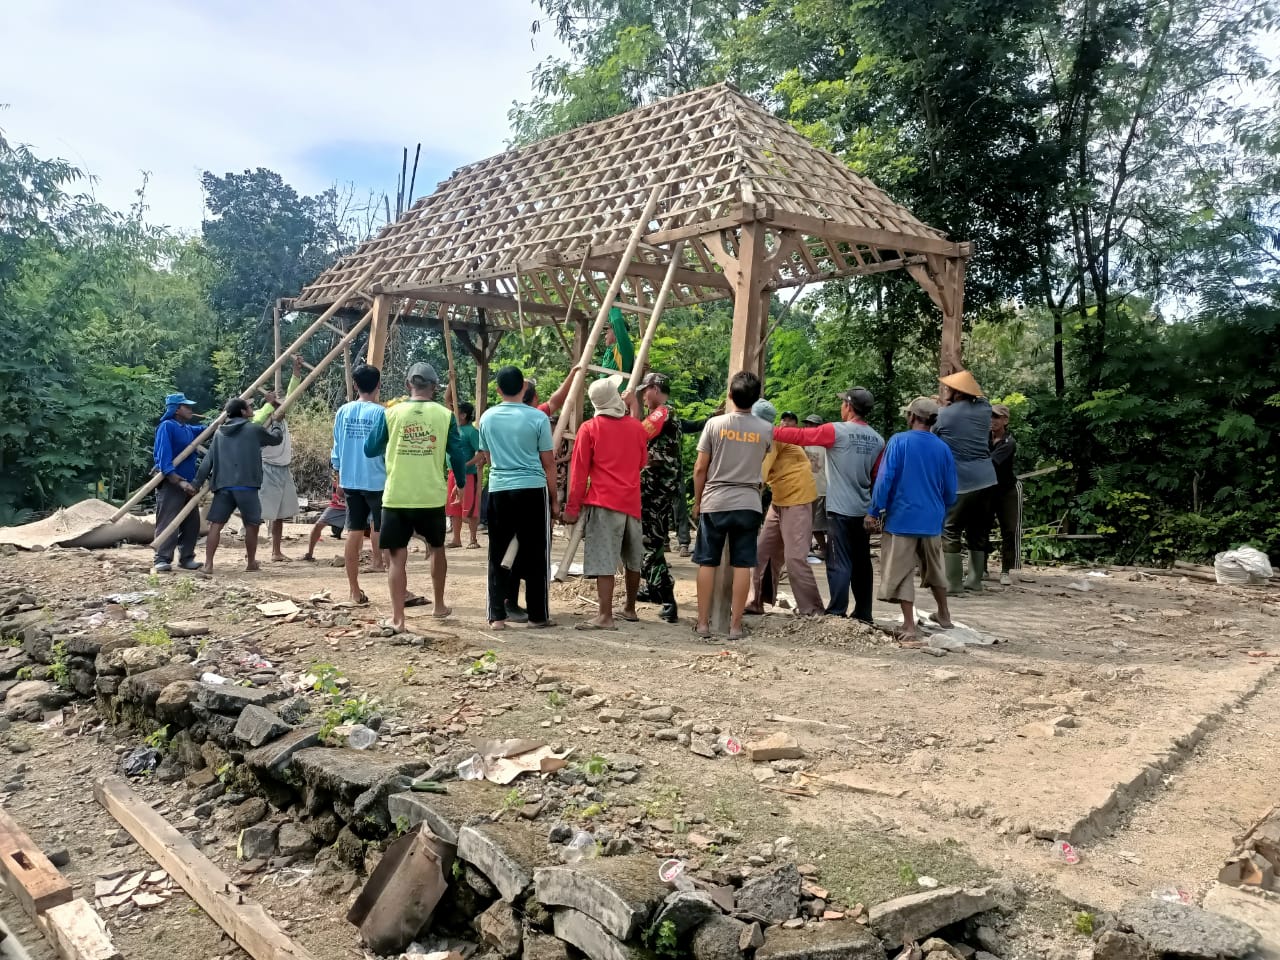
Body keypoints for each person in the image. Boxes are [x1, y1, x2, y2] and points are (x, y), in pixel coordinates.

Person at [363, 363, 469, 632]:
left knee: (397, 557)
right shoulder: (445, 416)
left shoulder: (391, 413)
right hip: (431, 495)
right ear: (434, 387)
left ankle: (398, 619)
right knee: (437, 549)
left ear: (408, 385)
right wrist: (462, 483)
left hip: (397, 495)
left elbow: (370, 448)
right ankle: (439, 606)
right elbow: (456, 454)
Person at [772, 389, 885, 622]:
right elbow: (877, 476)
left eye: (843, 402)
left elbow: (801, 436)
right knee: (862, 563)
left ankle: (836, 611)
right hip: (863, 509)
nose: (841, 406)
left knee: (838, 561)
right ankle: (864, 613)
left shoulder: (836, 431)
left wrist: (767, 430)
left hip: (840, 508)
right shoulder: (877, 439)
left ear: (849, 407)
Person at [866, 397, 957, 642]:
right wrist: (939, 508)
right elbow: (950, 490)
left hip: (902, 519)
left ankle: (909, 626)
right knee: (935, 568)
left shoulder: (899, 441)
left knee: (902, 571)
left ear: (912, 417)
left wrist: (874, 511)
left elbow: (885, 479)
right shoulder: (942, 448)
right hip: (932, 520)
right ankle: (945, 616)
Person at [692, 371, 773, 640]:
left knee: (707, 562)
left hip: (715, 501)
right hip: (748, 502)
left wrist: (697, 501)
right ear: (757, 397)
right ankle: (735, 626)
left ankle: (703, 623)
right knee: (742, 564)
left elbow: (700, 468)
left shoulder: (714, 425)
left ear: (730, 395)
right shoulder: (765, 429)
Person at [563, 377, 649, 630]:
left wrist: (572, 509)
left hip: (603, 502)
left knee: (604, 560)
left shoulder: (589, 429)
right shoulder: (636, 428)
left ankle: (605, 615)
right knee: (633, 559)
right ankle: (630, 608)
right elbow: (642, 462)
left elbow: (578, 475)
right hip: (631, 501)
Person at [479, 365, 558, 629]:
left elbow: (488, 458)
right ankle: (537, 616)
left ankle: (497, 616)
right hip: (533, 489)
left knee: (497, 551)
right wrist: (555, 500)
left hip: (500, 488)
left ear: (499, 390)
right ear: (524, 388)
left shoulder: (487, 417)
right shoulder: (538, 419)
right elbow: (549, 463)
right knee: (536, 552)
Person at [745, 400, 823, 616]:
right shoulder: (765, 435)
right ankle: (755, 601)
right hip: (780, 498)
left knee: (795, 556)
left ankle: (812, 609)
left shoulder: (771, 436)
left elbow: (759, 476)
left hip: (797, 497)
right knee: (763, 552)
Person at [194, 397, 283, 574]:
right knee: (252, 525)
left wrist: (196, 482)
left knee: (216, 525)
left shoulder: (219, 433)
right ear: (243, 411)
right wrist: (276, 424)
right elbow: (275, 440)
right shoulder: (253, 429)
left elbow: (208, 461)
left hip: (223, 486)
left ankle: (208, 564)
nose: (252, 409)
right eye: (249, 407)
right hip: (247, 486)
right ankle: (250, 563)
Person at [934, 370, 997, 593]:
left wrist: (944, 406)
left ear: (957, 392)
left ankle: (953, 584)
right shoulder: (985, 409)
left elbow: (934, 436)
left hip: (961, 480)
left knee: (950, 529)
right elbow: (982, 399)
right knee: (978, 530)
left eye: (950, 388)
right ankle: (975, 581)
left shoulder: (943, 415)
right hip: (988, 479)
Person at [331, 364, 387, 605]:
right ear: (378, 385)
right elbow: (386, 449)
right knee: (383, 528)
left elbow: (337, 449)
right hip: (377, 478)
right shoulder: (382, 413)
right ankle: (395, 585)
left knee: (353, 531)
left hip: (350, 478)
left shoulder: (343, 411)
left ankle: (354, 590)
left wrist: (338, 477)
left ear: (355, 385)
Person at [632, 371, 682, 623]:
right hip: (655, 489)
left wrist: (631, 408)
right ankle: (653, 589)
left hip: (656, 491)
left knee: (650, 544)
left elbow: (638, 433)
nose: (643, 395)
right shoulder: (663, 413)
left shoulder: (663, 411)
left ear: (655, 388)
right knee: (650, 541)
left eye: (645, 391)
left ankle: (667, 598)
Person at [253, 355, 304, 563]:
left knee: (281, 513)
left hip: (284, 468)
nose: (282, 407)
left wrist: (296, 372)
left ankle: (276, 551)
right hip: (268, 468)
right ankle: (252, 553)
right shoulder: (261, 417)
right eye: (277, 405)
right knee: (260, 513)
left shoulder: (282, 415)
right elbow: (255, 423)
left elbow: (293, 393)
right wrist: (268, 406)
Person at [152, 392, 207, 573]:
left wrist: (224, 416)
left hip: (188, 484)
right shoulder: (167, 427)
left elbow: (209, 428)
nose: (191, 410)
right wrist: (179, 482)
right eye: (187, 407)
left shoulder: (188, 429)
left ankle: (186, 557)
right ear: (176, 409)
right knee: (168, 521)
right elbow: (164, 460)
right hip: (171, 483)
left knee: (192, 524)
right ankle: (162, 558)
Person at [988, 403, 1020, 585]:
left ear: (1005, 420)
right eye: (991, 416)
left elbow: (991, 462)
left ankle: (1006, 570)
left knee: (1009, 529)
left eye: (997, 417)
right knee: (981, 526)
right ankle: (981, 568)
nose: (992, 420)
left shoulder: (1009, 443)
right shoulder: (984, 437)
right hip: (987, 489)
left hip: (1006, 490)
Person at [446, 401, 482, 549]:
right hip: (452, 473)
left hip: (468, 475)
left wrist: (466, 464)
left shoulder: (471, 432)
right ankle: (456, 539)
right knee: (454, 508)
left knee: (470, 508)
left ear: (463, 415)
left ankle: (473, 539)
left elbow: (481, 453)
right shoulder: (452, 430)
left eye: (456, 411)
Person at [802, 414, 829, 559]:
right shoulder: (804, 443)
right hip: (810, 489)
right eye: (806, 424)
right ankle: (823, 549)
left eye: (811, 424)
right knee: (813, 524)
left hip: (824, 489)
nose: (807, 427)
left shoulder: (826, 444)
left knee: (824, 525)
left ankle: (827, 550)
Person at [302, 476, 348, 561]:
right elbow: (338, 493)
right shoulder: (336, 474)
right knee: (318, 526)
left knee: (357, 531)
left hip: (352, 506)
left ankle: (357, 556)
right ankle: (309, 554)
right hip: (336, 506)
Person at [599, 306, 635, 372]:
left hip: (618, 382)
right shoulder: (610, 350)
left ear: (616, 332)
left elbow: (617, 322)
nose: (605, 336)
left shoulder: (623, 348)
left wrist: (614, 301)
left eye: (607, 332)